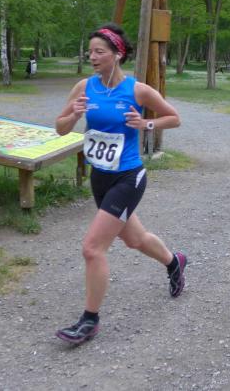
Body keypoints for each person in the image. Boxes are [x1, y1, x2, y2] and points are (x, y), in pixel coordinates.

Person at [54, 23, 186, 345]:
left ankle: (90, 321)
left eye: (99, 52)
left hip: (128, 177)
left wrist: (145, 123)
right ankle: (174, 262)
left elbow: (174, 117)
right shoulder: (84, 87)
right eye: (90, 52)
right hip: (99, 177)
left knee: (92, 248)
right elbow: (60, 127)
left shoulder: (137, 90)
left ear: (117, 54)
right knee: (135, 239)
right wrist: (74, 116)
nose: (92, 57)